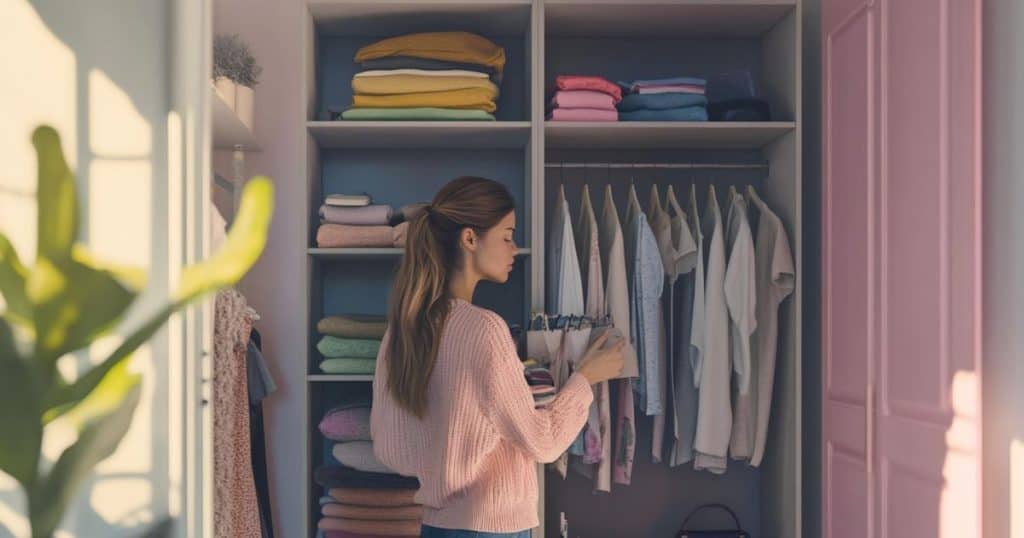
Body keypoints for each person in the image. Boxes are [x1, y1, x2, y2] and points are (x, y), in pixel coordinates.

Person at [371, 176, 625, 538]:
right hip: (492, 528)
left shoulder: (401, 330)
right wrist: (585, 378)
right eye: (507, 236)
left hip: (436, 525)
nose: (515, 249)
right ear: (470, 238)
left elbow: (390, 447)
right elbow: (544, 443)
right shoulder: (483, 329)